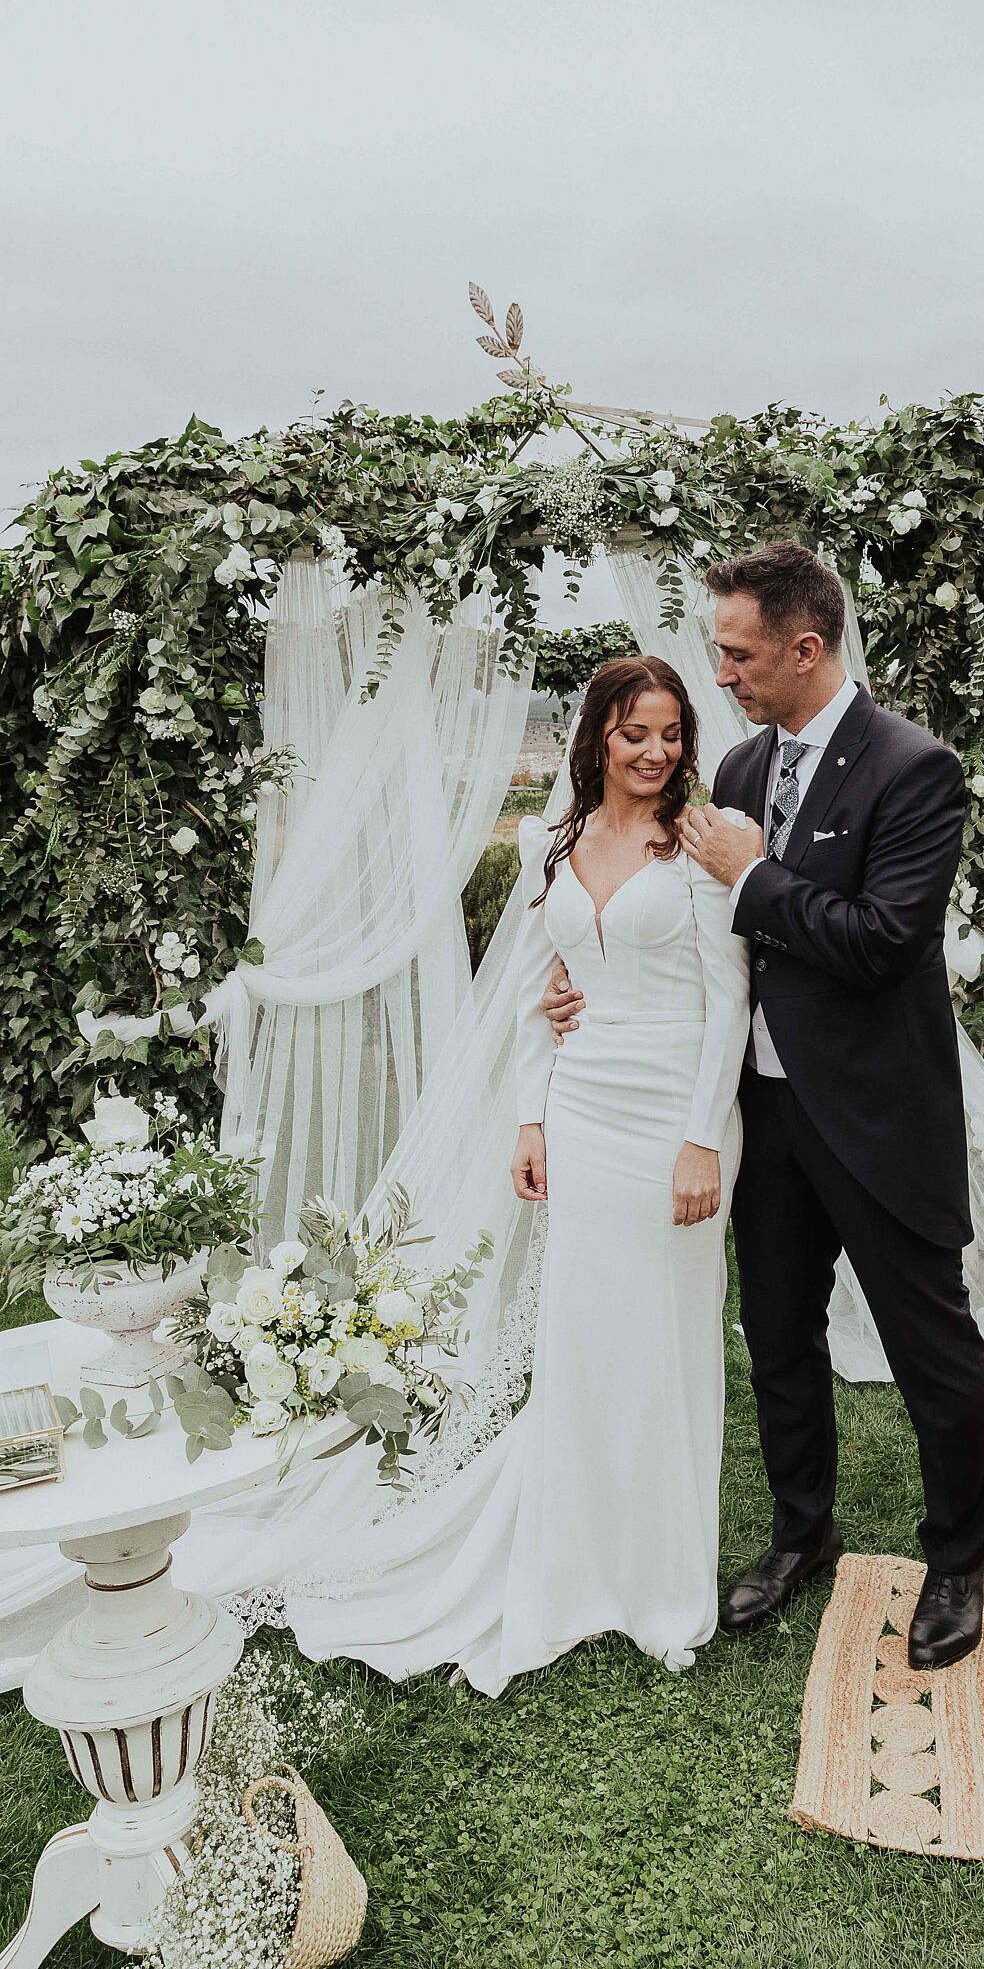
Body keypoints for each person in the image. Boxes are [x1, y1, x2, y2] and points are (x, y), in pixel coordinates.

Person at [546, 542, 984, 1670]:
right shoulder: (740, 771)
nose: (726, 672)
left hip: (875, 1115)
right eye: (721, 651)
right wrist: (584, 981)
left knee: (924, 1338)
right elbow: (701, 946)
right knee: (779, 1337)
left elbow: (885, 943)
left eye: (739, 653)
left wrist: (754, 876)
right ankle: (801, 1531)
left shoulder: (913, 769)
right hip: (761, 1111)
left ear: (806, 647)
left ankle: (956, 1559)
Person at [289, 654, 751, 1694]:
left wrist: (702, 1139)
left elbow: (730, 1001)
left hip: (672, 1109)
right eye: (636, 732)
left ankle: (658, 1572)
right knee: (583, 1330)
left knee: (668, 1337)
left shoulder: (699, 847)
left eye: (672, 733)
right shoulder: (556, 840)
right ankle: (573, 1543)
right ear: (597, 736)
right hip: (582, 1109)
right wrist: (530, 1117)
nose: (657, 752)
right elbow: (542, 992)